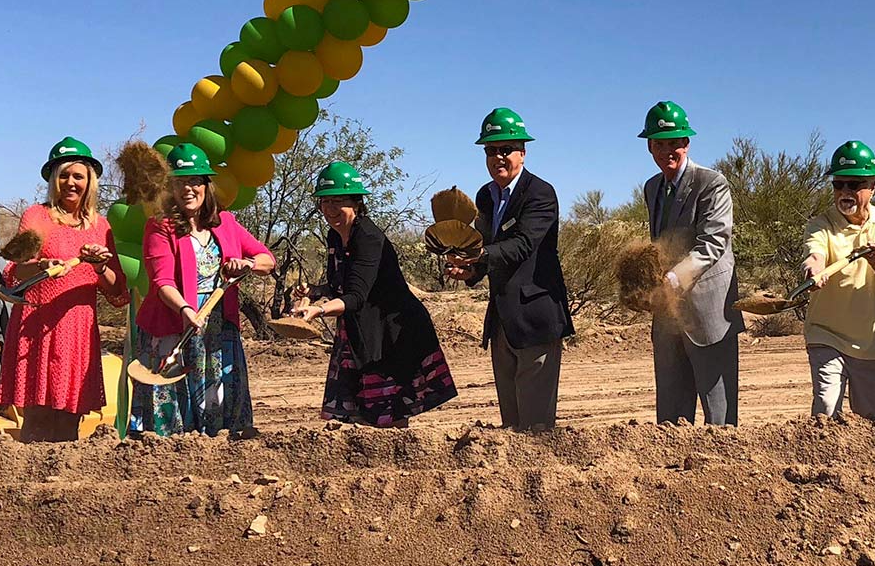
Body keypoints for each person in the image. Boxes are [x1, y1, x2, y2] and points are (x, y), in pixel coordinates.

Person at [290, 161, 457, 427]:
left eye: (339, 201)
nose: (331, 209)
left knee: (389, 413)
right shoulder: (335, 236)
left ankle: (398, 465)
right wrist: (315, 291)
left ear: (356, 203)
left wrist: (319, 310)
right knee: (358, 416)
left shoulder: (368, 238)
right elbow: (341, 285)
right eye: (325, 202)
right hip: (360, 332)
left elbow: (356, 296)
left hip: (392, 335)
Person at [132, 142, 276, 437]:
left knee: (219, 398)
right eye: (180, 182)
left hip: (218, 327)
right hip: (173, 326)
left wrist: (245, 265)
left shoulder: (226, 223)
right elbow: (162, 282)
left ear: (206, 185)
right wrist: (186, 310)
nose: (188, 189)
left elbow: (267, 259)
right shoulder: (160, 227)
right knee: (172, 405)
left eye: (195, 181)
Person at [444, 108, 573, 431]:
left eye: (506, 149)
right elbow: (489, 250)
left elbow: (523, 245)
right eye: (491, 150)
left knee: (536, 429)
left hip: (536, 320)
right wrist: (469, 272)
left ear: (523, 153)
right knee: (510, 429)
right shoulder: (485, 197)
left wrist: (477, 254)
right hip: (502, 322)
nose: (498, 157)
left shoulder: (541, 194)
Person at [0, 137, 127, 442]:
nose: (70, 182)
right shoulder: (37, 216)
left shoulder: (101, 226)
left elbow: (117, 293)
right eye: (63, 175)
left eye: (78, 176)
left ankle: (62, 483)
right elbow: (16, 271)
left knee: (71, 415)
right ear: (54, 180)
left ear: (90, 181)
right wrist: (42, 266)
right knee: (38, 416)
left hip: (77, 329)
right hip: (38, 324)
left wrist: (98, 266)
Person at [638, 100, 742, 425]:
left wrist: (672, 278)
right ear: (650, 147)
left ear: (687, 143)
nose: (668, 150)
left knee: (720, 419)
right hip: (668, 317)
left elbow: (712, 244)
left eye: (675, 143)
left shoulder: (711, 183)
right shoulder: (652, 187)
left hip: (710, 315)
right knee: (670, 418)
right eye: (660, 143)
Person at [802, 140, 875, 420]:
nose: (845, 192)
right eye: (839, 185)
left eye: (855, 184)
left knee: (873, 420)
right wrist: (813, 269)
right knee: (825, 412)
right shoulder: (820, 224)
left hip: (874, 344)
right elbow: (815, 255)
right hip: (826, 335)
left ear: (873, 187)